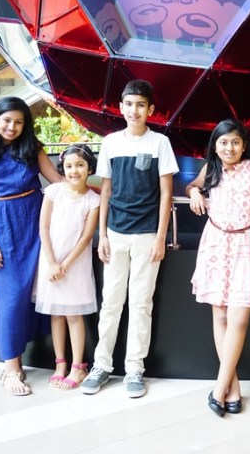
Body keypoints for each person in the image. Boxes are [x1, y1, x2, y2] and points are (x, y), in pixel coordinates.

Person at [81, 79, 178, 398]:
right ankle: (101, 366)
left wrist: (161, 237)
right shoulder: (111, 142)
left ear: (150, 109)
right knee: (110, 301)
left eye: (140, 105)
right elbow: (105, 190)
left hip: (147, 234)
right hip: (116, 234)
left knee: (140, 303)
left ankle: (135, 368)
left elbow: (166, 194)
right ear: (121, 107)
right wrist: (103, 234)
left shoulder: (160, 143)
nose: (134, 110)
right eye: (129, 104)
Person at [0, 96, 63, 396]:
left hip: (37, 221)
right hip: (4, 225)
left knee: (42, 291)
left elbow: (57, 182)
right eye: (7, 120)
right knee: (11, 297)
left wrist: (91, 189)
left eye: (19, 122)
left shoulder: (32, 148)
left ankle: (50, 359)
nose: (12, 127)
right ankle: (11, 367)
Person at [186, 119, 250, 416]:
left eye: (235, 142)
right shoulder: (211, 169)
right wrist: (195, 192)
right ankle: (231, 387)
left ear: (244, 144)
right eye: (223, 142)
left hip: (246, 244)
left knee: (239, 319)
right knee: (220, 314)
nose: (229, 148)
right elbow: (191, 186)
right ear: (215, 146)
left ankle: (218, 389)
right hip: (217, 244)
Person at [33, 144, 100, 391]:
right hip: (50, 261)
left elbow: (86, 237)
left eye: (80, 165)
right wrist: (52, 263)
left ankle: (77, 366)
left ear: (89, 168)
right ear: (63, 167)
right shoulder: (53, 192)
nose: (74, 171)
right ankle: (60, 364)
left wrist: (65, 265)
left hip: (75, 264)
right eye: (69, 166)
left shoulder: (93, 200)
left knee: (73, 315)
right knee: (56, 314)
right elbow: (43, 227)